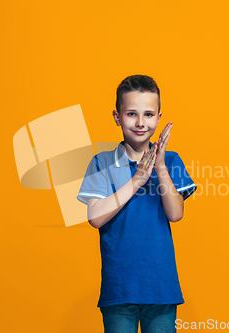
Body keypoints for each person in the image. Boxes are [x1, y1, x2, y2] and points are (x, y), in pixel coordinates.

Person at [77, 74, 197, 333]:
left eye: (149, 114)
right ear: (117, 117)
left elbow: (175, 214)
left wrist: (160, 166)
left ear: (159, 117)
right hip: (119, 287)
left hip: (161, 286)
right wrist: (137, 180)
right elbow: (96, 218)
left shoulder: (172, 161)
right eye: (131, 114)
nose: (141, 123)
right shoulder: (102, 162)